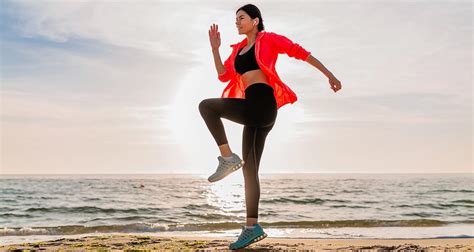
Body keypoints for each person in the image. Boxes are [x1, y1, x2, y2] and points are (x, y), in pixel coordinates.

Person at [198, 3, 342, 250]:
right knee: (250, 170)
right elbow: (224, 75)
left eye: (241, 18)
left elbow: (301, 53)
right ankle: (252, 228)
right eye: (236, 19)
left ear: (255, 21)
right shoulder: (238, 51)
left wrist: (330, 75)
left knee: (207, 106)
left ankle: (227, 157)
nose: (237, 22)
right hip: (253, 109)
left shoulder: (270, 40)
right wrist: (215, 50)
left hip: (263, 105)